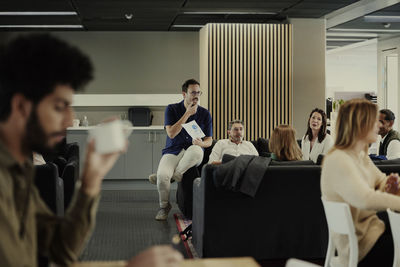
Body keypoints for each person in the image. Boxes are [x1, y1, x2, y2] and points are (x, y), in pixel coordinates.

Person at [0, 34, 182, 267]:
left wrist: (90, 181)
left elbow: (58, 250)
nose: (70, 118)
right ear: (21, 107)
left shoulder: (18, 169)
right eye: (59, 106)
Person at [321, 99, 400, 267]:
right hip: (362, 246)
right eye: (374, 120)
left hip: (374, 232)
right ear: (360, 124)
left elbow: (379, 180)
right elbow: (365, 199)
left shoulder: (359, 155)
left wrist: (389, 184)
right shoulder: (338, 159)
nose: (378, 126)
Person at [148, 79, 212, 221]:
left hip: (193, 152)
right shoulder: (171, 109)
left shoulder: (205, 113)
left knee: (195, 151)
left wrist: (201, 144)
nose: (196, 95)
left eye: (198, 92)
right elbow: (171, 133)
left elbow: (209, 140)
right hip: (173, 150)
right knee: (162, 177)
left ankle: (174, 176)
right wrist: (187, 114)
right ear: (184, 94)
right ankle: (164, 206)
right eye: (193, 92)